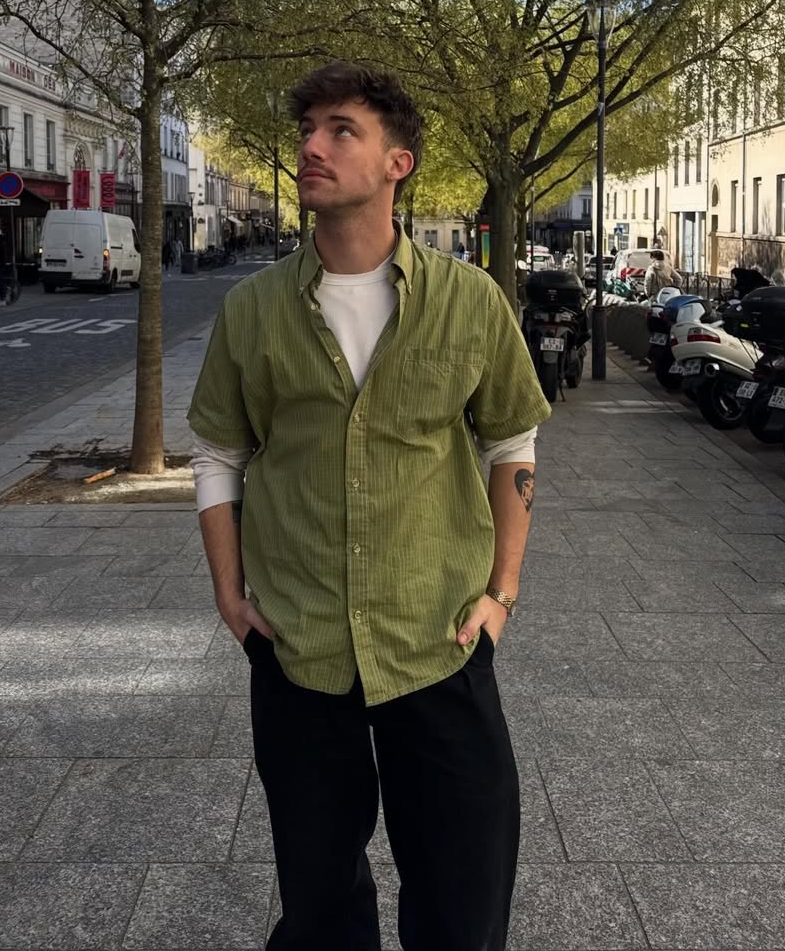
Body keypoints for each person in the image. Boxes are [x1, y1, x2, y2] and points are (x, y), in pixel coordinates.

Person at [188, 61, 550, 951]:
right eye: (306, 129)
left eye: (340, 129)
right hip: (299, 645)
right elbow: (220, 454)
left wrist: (501, 594)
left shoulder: (469, 301)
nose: (311, 146)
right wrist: (230, 597)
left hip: (438, 637)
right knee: (319, 908)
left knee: (464, 899)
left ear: (398, 163)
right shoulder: (252, 310)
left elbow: (511, 443)